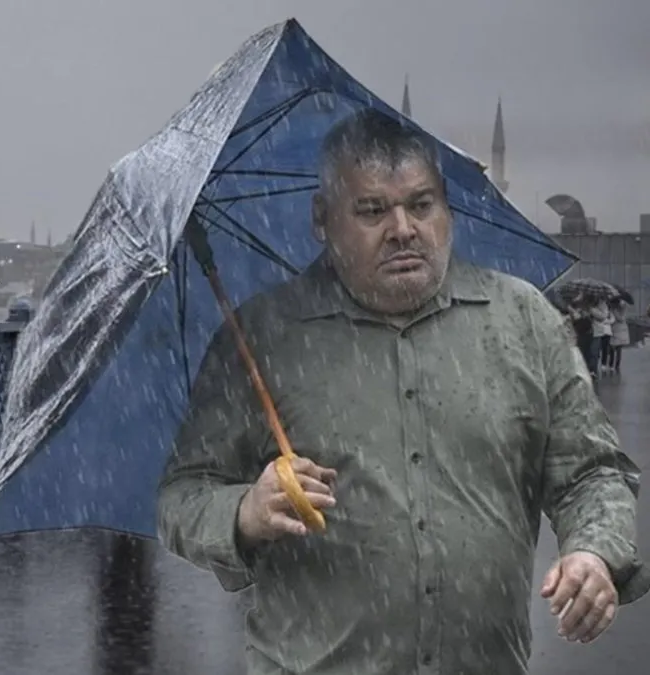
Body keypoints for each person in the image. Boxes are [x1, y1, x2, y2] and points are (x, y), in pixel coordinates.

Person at [157, 109, 647, 675]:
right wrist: (243, 511)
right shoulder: (262, 338)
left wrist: (593, 549)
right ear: (323, 217)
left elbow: (591, 471)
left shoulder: (523, 321)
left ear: (448, 207)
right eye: (372, 210)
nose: (403, 229)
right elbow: (183, 495)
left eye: (421, 205)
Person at [590, 301, 613, 376]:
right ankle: (593, 370)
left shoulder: (606, 311)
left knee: (603, 349)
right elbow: (602, 317)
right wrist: (605, 310)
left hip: (603, 332)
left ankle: (597, 368)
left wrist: (607, 320)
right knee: (595, 352)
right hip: (597, 332)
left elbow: (612, 319)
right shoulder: (593, 309)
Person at [608, 299, 629, 374]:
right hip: (617, 330)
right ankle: (615, 365)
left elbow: (620, 319)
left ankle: (613, 365)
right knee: (617, 348)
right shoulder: (620, 309)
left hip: (617, 330)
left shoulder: (615, 310)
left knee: (615, 348)